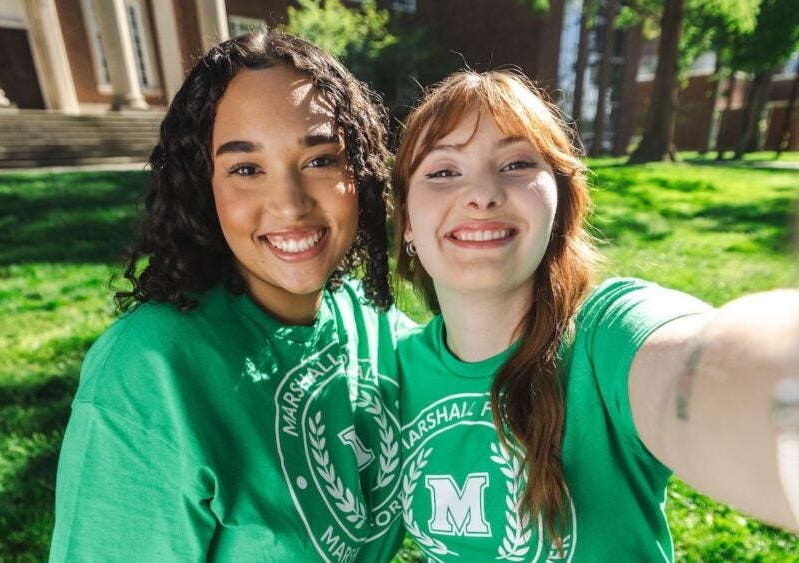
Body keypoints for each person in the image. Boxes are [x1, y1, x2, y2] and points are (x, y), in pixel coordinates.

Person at [391, 69, 799, 561]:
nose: (482, 194)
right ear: (408, 220)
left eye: (517, 163)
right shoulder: (394, 374)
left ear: (559, 203)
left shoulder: (608, 336)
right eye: (443, 171)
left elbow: (708, 363)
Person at [50, 29, 409, 561]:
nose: (288, 205)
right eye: (246, 168)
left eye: (319, 160)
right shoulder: (149, 373)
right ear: (202, 186)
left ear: (359, 171)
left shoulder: (373, 324)